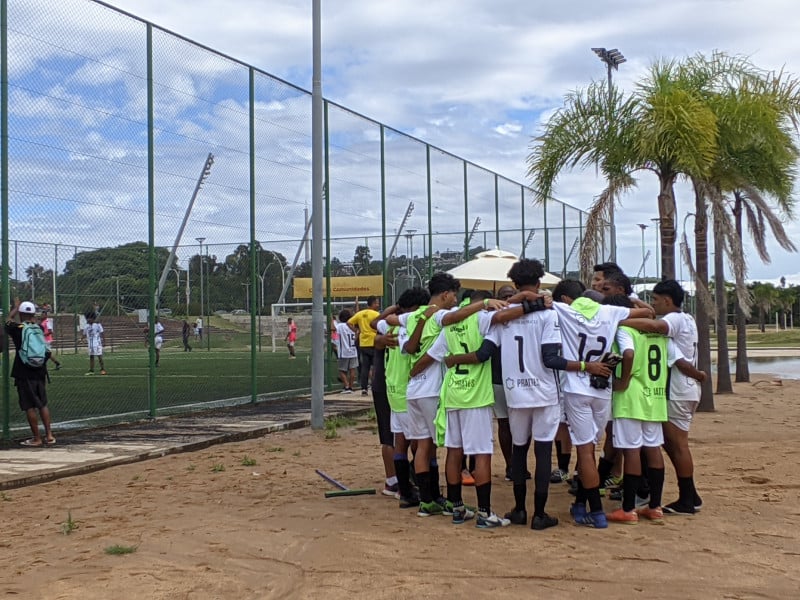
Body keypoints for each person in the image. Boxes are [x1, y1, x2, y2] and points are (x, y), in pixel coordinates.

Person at [550, 279, 653, 528]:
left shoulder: (566, 309)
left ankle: (595, 511)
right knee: (593, 450)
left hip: (576, 387)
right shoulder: (610, 312)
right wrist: (628, 305)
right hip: (602, 389)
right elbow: (648, 312)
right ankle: (579, 505)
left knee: (584, 452)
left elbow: (542, 302)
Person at [621, 279, 708, 515]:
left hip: (678, 390)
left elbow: (657, 328)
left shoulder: (673, 320)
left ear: (668, 300)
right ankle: (690, 495)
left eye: (656, 300)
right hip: (686, 388)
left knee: (676, 445)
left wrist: (619, 320)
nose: (653, 305)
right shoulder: (687, 318)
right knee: (672, 444)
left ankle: (688, 498)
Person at [602, 294, 670, 524]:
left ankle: (628, 508)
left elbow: (628, 353)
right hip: (655, 395)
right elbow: (650, 313)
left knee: (631, 450)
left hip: (631, 398)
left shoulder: (624, 330)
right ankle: (655, 505)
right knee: (653, 448)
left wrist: (624, 380)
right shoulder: (656, 332)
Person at [6, 300, 55, 446]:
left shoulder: (18, 328)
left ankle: (37, 438)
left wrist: (14, 308)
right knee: (42, 404)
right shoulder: (38, 327)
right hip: (40, 371)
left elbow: (7, 321)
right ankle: (49, 435)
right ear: (33, 314)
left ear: (21, 314)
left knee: (29, 406)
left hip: (24, 371)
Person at [348, 296, 381, 396]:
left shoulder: (360, 314)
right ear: (373, 304)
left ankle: (364, 388)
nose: (378, 305)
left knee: (365, 367)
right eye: (377, 303)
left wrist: (357, 331)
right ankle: (376, 385)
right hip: (374, 342)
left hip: (363, 343)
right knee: (376, 365)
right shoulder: (377, 314)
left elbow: (349, 322)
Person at [335, 310, 358, 392]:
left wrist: (331, 319)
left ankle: (347, 386)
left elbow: (333, 329)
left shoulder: (340, 326)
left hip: (344, 352)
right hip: (353, 351)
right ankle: (351, 387)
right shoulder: (353, 325)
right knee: (352, 370)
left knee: (341, 370)